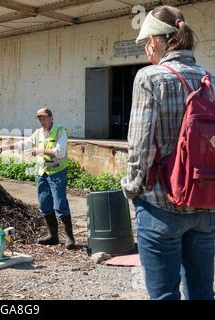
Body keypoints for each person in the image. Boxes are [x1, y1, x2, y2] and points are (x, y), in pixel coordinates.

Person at [122, 5, 215, 300]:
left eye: (148, 42)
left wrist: (132, 188)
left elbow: (139, 146)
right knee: (202, 293)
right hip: (206, 204)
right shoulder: (211, 80)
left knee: (163, 295)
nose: (147, 49)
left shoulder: (149, 78)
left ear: (159, 41)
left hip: (161, 204)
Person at [0, 107, 75, 249]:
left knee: (60, 205)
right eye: (39, 118)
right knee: (44, 204)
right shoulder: (38, 133)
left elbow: (60, 152)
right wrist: (6, 147)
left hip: (57, 173)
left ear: (51, 118)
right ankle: (53, 237)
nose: (42, 120)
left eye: (44, 117)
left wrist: (40, 151)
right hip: (42, 172)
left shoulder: (60, 131)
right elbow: (24, 144)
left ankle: (70, 237)